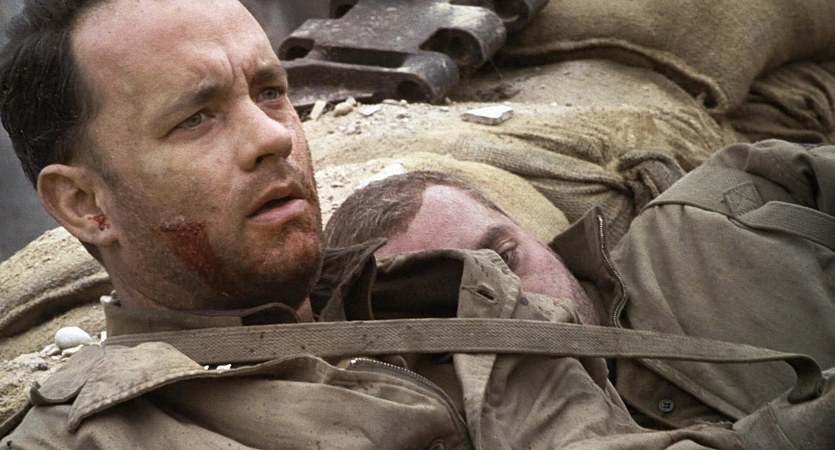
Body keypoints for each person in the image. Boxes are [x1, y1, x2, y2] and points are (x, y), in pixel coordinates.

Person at [1, 0, 833, 448]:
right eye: (196, 118)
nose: (272, 138)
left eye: (270, 92)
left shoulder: (453, 301)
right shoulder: (97, 435)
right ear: (84, 204)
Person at [325, 146, 835, 429]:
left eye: (503, 259)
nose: (516, 299)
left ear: (532, 234)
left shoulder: (707, 217)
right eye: (462, 302)